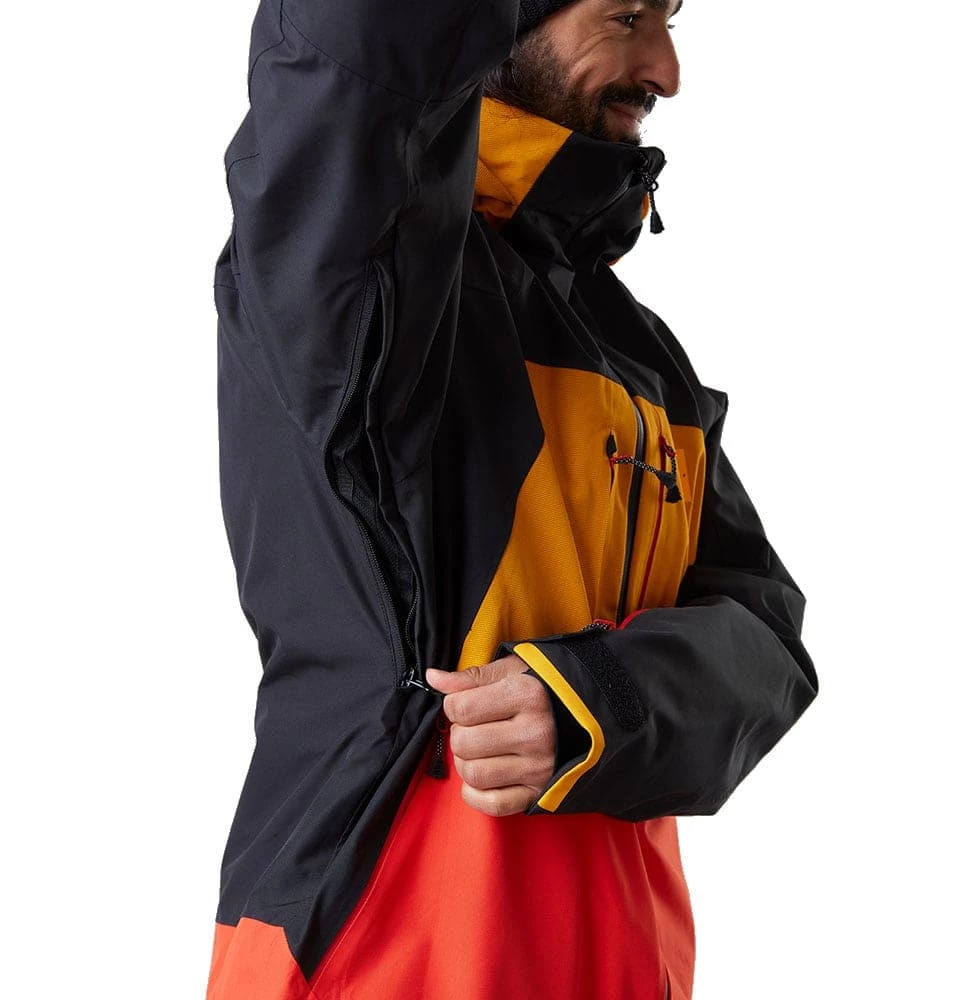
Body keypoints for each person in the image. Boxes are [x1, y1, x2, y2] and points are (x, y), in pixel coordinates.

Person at [206, 1, 818, 997]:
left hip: (619, 967)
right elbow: (346, 60)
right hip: (389, 957)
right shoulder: (355, 276)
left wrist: (599, 699)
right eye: (626, 15)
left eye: (669, 21)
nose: (666, 68)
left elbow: (767, 638)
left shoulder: (641, 354)